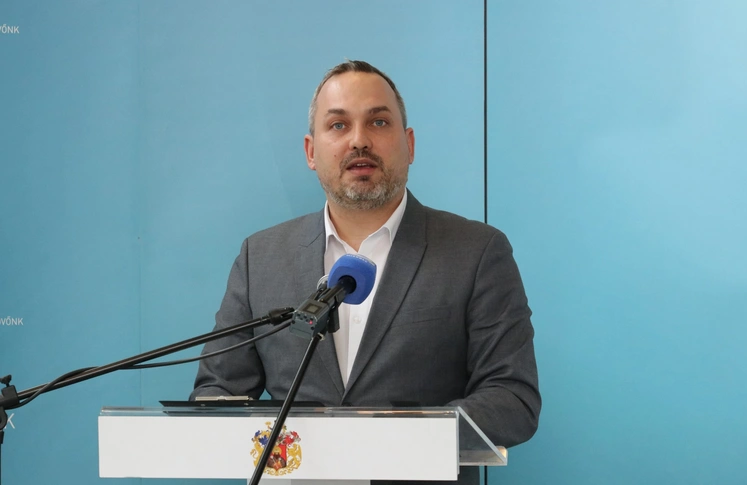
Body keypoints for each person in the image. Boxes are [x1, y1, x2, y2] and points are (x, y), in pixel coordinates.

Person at [192, 60, 540, 485]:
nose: (359, 140)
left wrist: (397, 439)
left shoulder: (476, 252)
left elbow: (513, 398)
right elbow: (217, 392)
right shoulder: (261, 257)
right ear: (311, 152)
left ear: (409, 144)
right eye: (338, 125)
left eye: (378, 122)